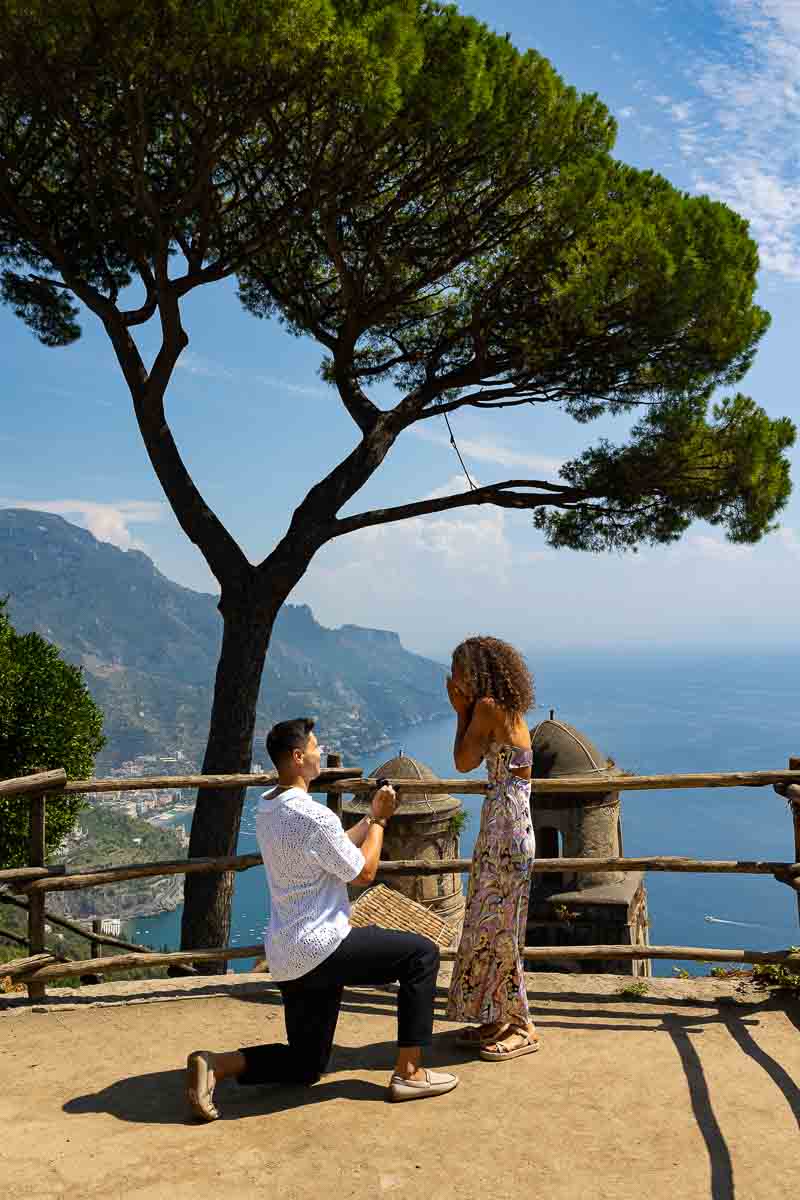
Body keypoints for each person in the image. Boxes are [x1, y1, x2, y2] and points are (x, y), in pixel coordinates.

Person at [185, 717, 458, 1120]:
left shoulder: (268, 808)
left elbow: (329, 853)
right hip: (324, 947)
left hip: (288, 955)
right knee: (421, 955)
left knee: (306, 1064)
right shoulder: (314, 816)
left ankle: (218, 1064)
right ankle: (410, 1072)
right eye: (314, 746)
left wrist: (364, 822)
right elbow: (364, 873)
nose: (319, 751)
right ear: (298, 758)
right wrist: (380, 819)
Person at [445, 636, 540, 1061]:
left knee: (498, 928)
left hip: (503, 829)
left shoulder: (484, 708)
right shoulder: (513, 712)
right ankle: (497, 1015)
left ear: (479, 671)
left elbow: (462, 762)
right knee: (497, 924)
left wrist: (459, 711)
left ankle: (523, 1025)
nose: (455, 678)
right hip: (514, 825)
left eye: (460, 669)